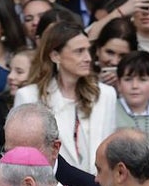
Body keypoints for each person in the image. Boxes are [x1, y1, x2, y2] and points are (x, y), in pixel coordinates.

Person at [15, 22, 117, 174]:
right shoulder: (29, 97)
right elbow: (23, 156)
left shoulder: (106, 95)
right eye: (79, 51)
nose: (88, 58)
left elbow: (110, 150)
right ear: (55, 55)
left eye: (88, 50)